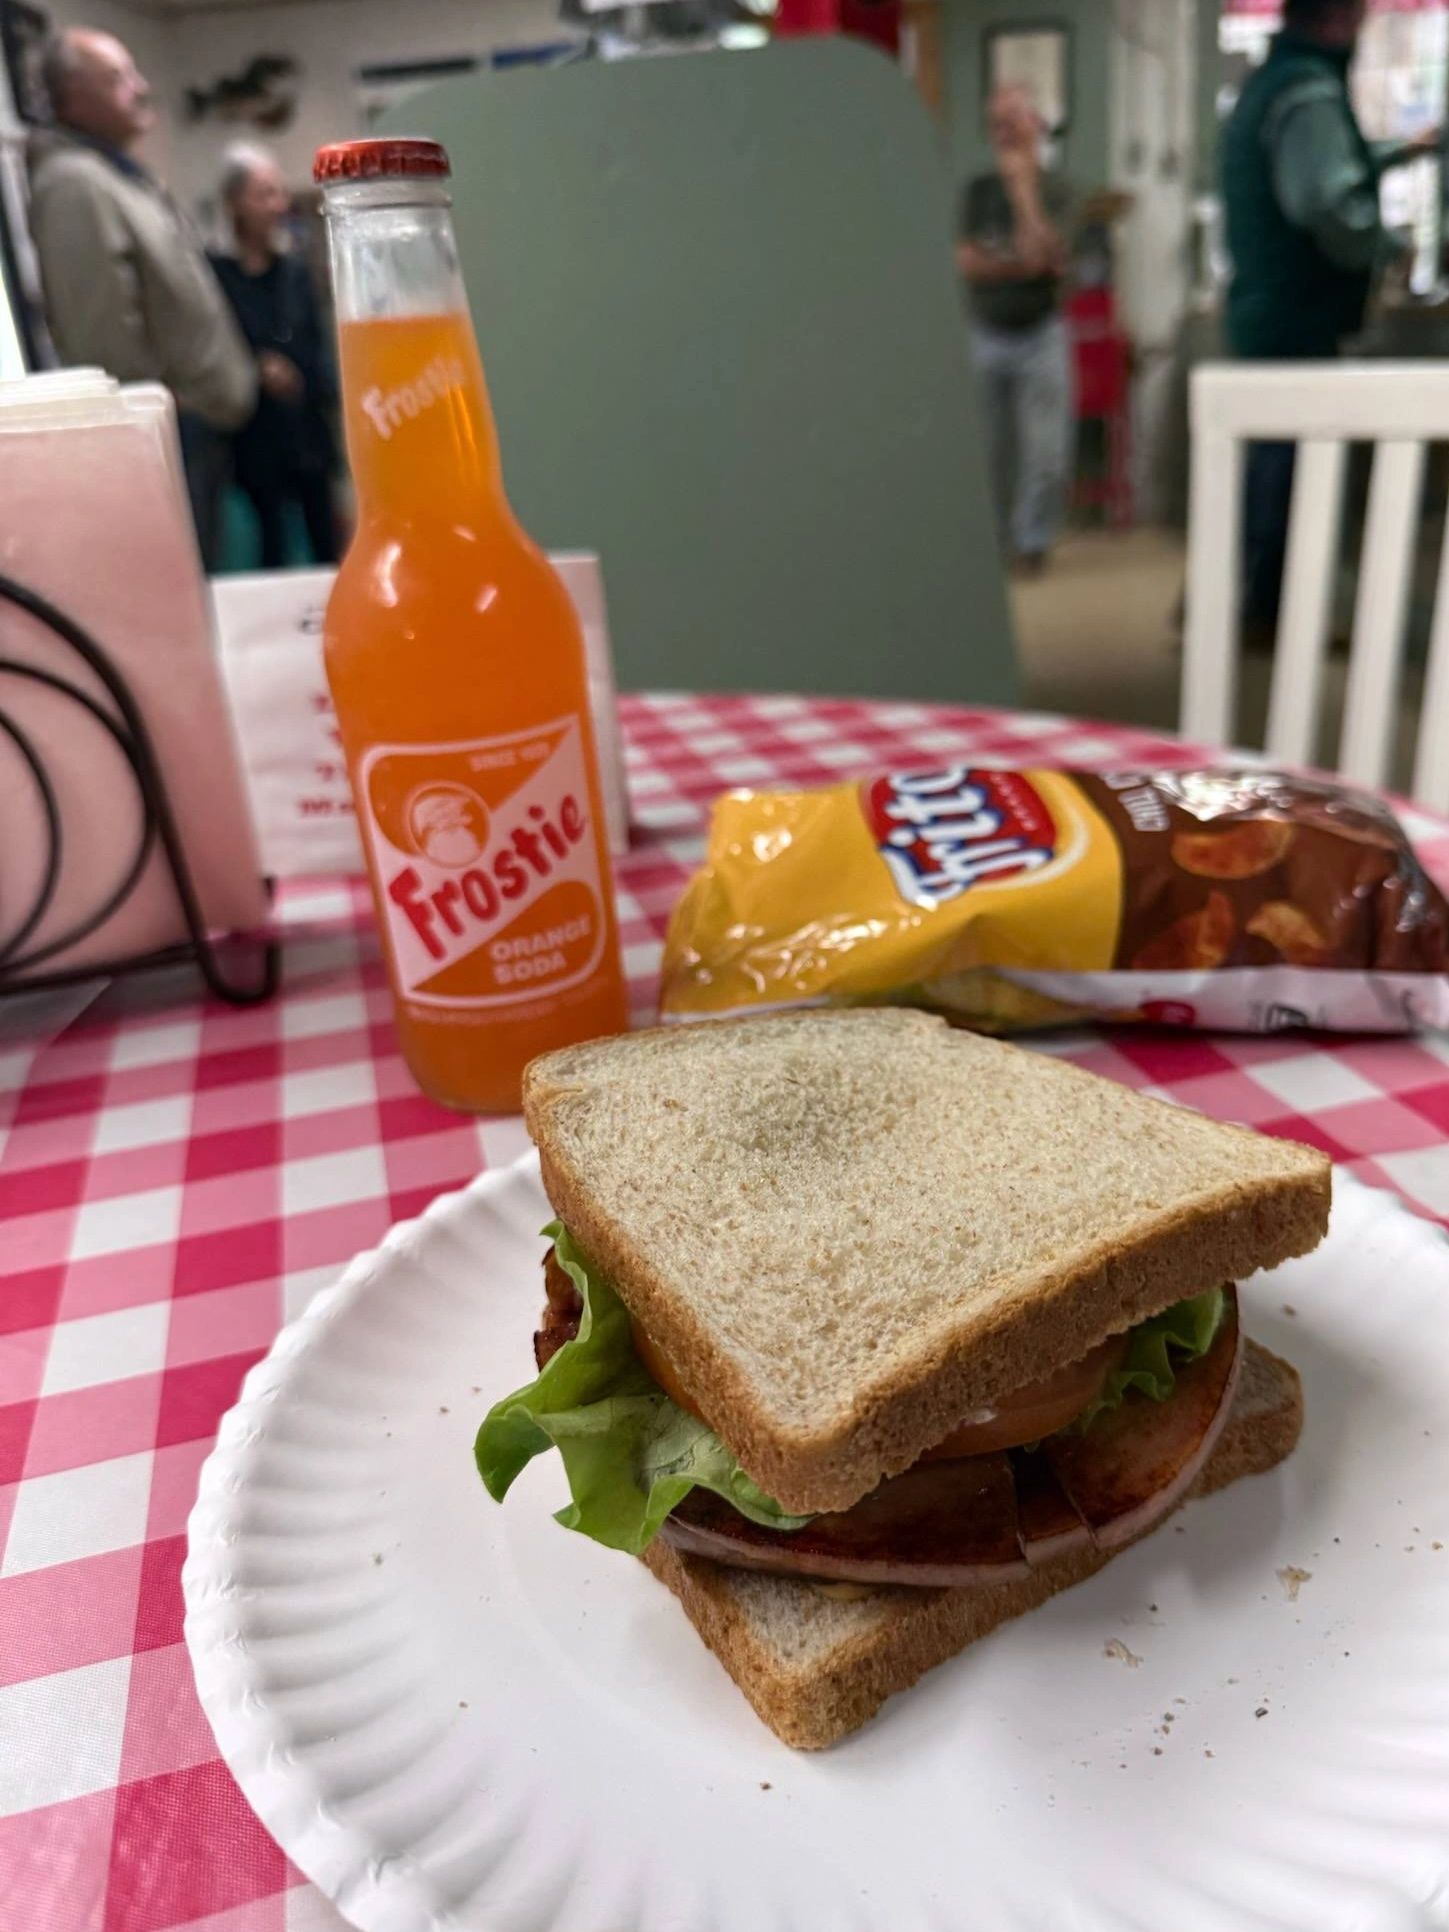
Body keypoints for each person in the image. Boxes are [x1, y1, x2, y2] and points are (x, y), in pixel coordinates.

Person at [1221, 0, 1442, 629]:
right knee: (1285, 475)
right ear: (1342, 19)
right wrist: (1389, 244)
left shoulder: (1276, 83)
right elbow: (1326, 202)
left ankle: (1252, 600)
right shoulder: (1308, 91)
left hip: (1270, 312)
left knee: (1272, 466)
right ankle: (1266, 610)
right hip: (1296, 317)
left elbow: (1328, 167)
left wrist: (1400, 150)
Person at [28, 28, 256, 568]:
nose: (141, 87)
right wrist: (162, 416)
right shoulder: (75, 184)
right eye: (117, 78)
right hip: (169, 439)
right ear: (70, 97)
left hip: (193, 433)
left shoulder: (119, 176)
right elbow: (100, 336)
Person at [958, 86, 1075, 577]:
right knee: (986, 450)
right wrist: (1020, 262)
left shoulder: (1060, 189)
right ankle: (990, 545)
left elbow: (1051, 259)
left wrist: (1024, 195)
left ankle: (1031, 544)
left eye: (1014, 120)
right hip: (984, 332)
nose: (1004, 131)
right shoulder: (976, 191)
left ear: (1036, 126)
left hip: (1040, 334)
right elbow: (964, 262)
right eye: (997, 123)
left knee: (1046, 452)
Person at [211, 145, 341, 569]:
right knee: (273, 544)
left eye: (279, 193)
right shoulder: (215, 275)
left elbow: (315, 342)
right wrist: (255, 369)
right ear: (234, 203)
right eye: (263, 194)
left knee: (327, 538)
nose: (277, 205)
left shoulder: (294, 269)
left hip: (307, 428)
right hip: (256, 433)